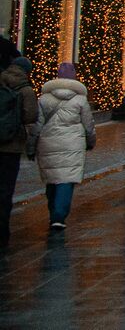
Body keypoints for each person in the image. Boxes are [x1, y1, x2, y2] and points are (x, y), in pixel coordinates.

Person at [33, 62, 95, 230]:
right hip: (73, 143)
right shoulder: (81, 99)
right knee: (66, 179)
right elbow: (88, 124)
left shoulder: (44, 98)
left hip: (48, 142)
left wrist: (31, 145)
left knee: (52, 178)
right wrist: (91, 141)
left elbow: (37, 124)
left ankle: (53, 210)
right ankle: (59, 216)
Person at [0, 39, 38, 248]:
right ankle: (3, 231)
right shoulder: (25, 89)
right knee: (6, 189)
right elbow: (30, 117)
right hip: (11, 145)